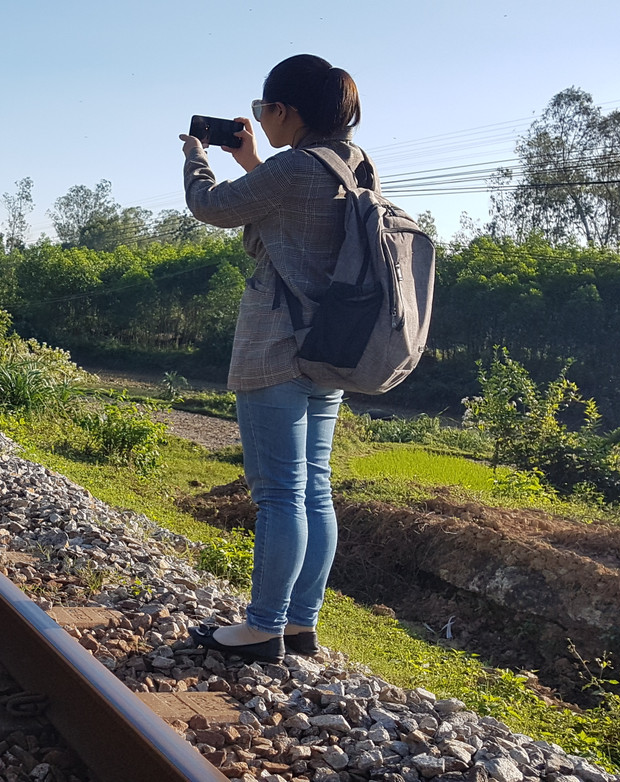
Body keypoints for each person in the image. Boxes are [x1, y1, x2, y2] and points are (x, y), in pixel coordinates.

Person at [180, 54, 366, 663]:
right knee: (315, 490)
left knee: (280, 495)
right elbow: (289, 216)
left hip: (276, 350)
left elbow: (212, 208)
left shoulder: (293, 169)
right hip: (330, 352)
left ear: (286, 111)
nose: (261, 119)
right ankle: (299, 624)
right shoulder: (355, 166)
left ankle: (262, 627)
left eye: (265, 110)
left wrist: (196, 157)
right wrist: (252, 159)